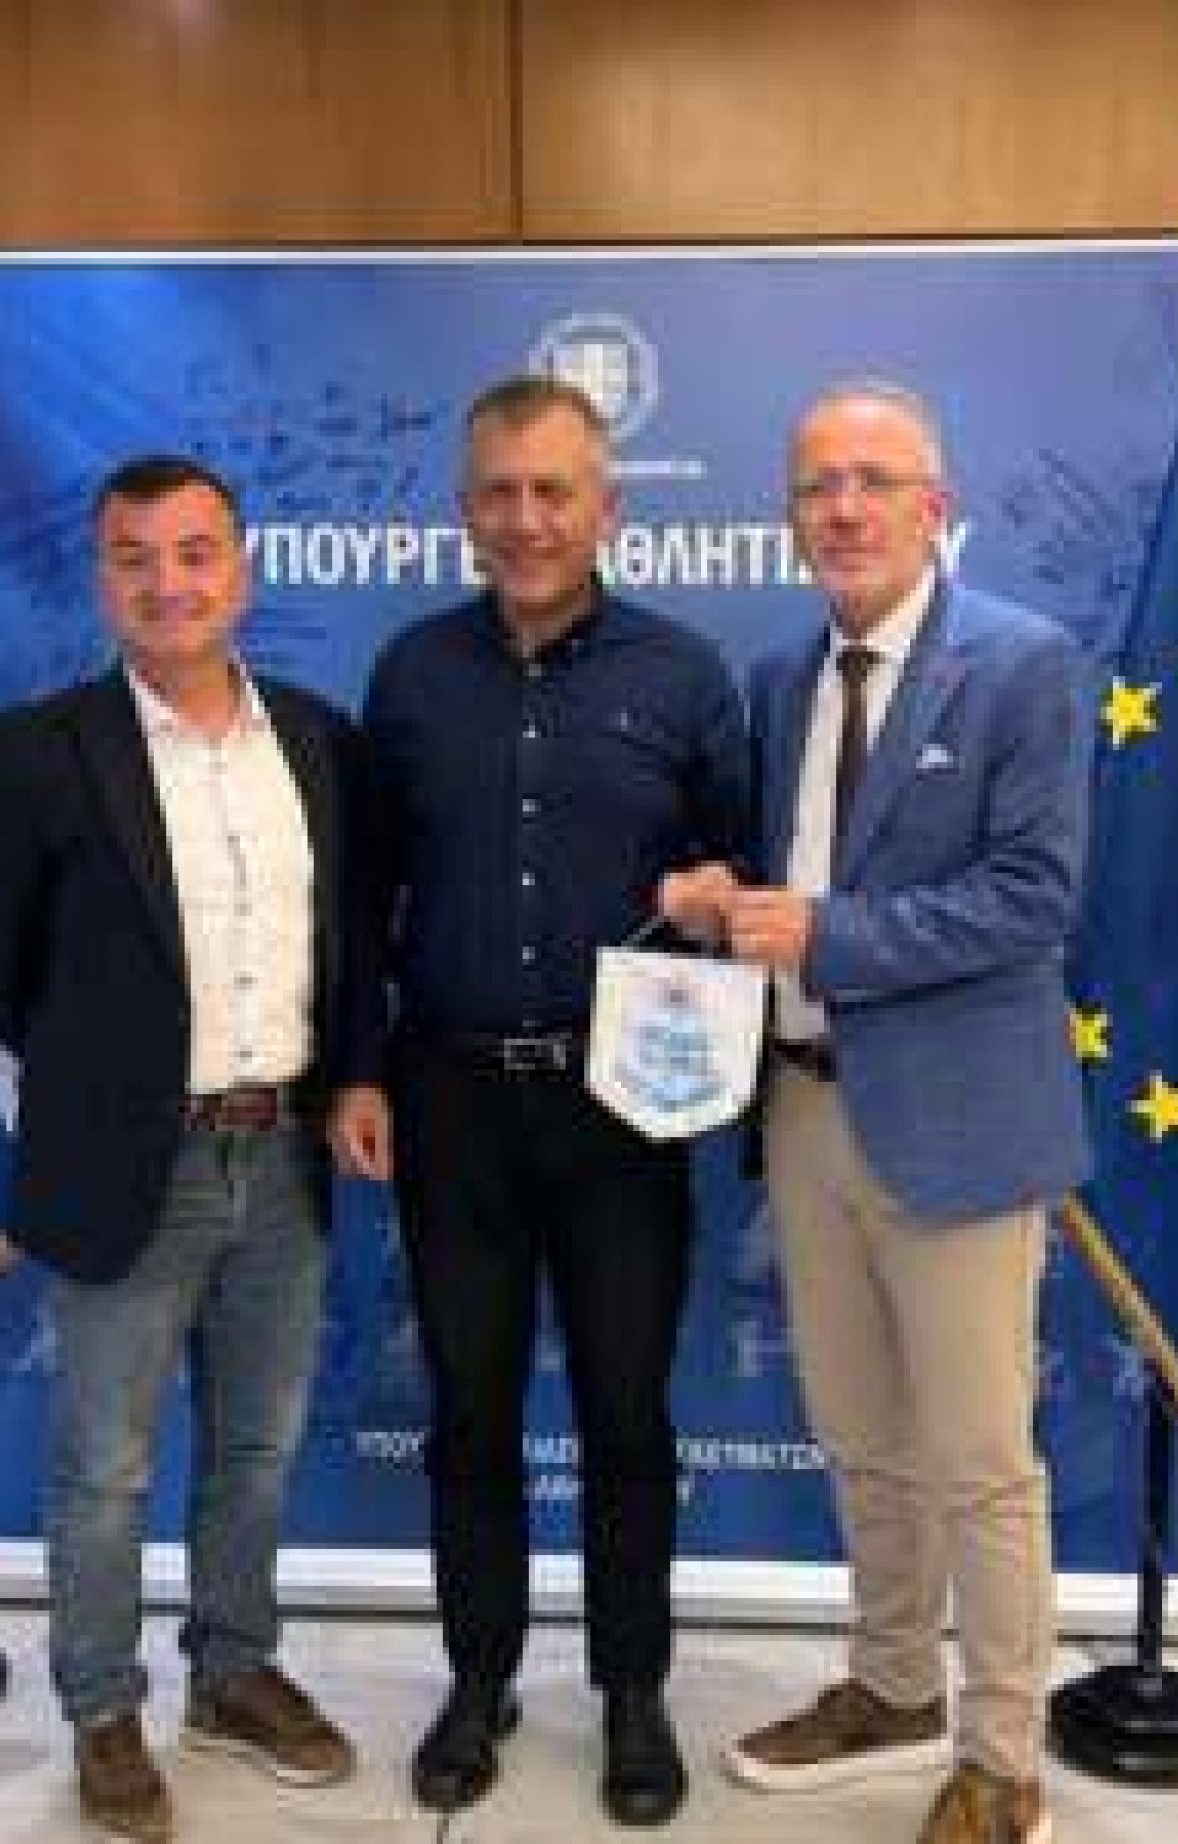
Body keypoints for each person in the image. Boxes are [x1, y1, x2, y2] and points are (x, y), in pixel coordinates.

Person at [662, 381, 1092, 1844]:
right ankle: (895, 1685)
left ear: (935, 506)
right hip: (803, 1112)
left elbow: (1034, 899)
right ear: (791, 516)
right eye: (816, 486)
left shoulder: (1024, 663)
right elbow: (793, 876)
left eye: (873, 480)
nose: (843, 508)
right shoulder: (783, 676)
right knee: (859, 1434)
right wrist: (720, 902)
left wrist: (826, 934)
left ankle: (1004, 1761)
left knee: (981, 1460)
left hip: (961, 1125)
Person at [330, 375, 749, 1827]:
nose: (526, 520)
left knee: (629, 1412)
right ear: (466, 511)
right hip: (449, 1101)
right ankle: (478, 1680)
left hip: (624, 1103)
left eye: (553, 491)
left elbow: (742, 886)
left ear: (607, 508)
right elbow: (364, 898)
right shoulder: (410, 674)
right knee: (471, 1411)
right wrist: (361, 1066)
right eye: (499, 493)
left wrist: (718, 908)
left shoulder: (685, 677)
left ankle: (632, 1691)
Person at [0, 454, 358, 1844]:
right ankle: (103, 1710)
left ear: (242, 569)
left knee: (259, 1445)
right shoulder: (33, 750)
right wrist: (108, 1074)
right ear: (101, 577)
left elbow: (347, 943)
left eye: (194, 554)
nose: (168, 584)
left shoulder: (318, 741)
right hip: (130, 1163)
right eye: (135, 558)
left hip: (282, 1154)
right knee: (106, 1467)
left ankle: (232, 1673)